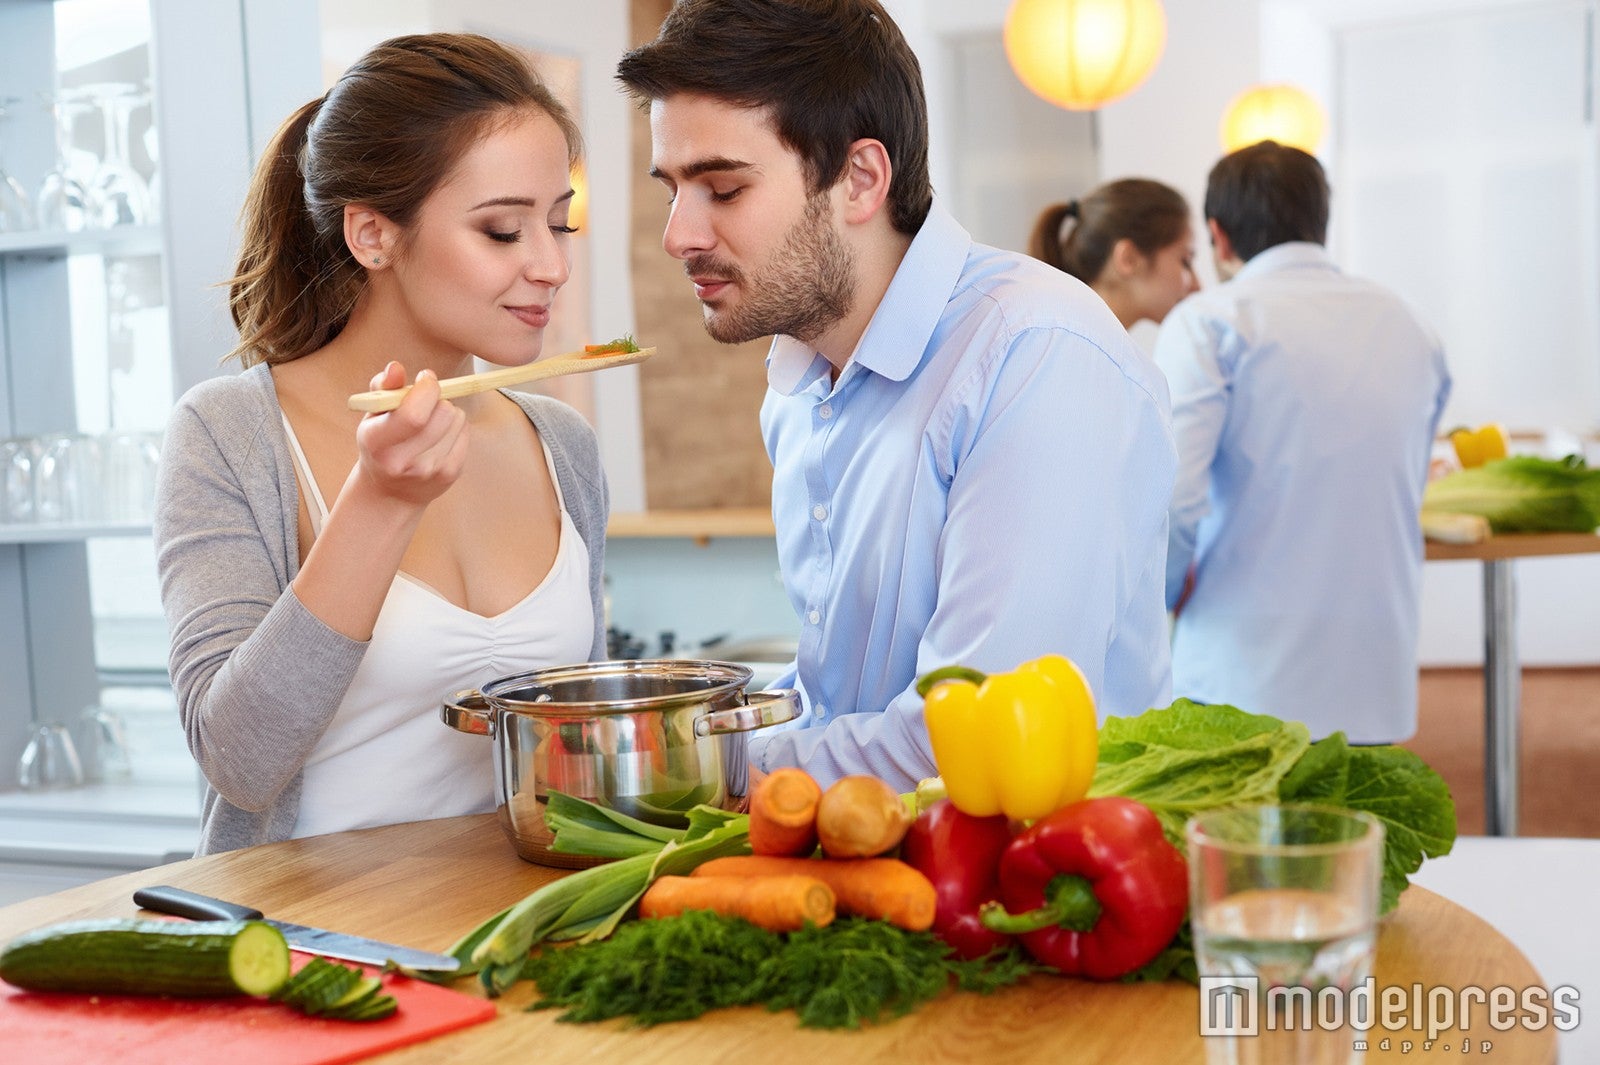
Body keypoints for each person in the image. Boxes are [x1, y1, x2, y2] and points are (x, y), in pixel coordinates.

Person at [617, 0, 1176, 790]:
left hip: (1036, 891)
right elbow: (833, 702)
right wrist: (685, 724)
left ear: (860, 179)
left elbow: (971, 732)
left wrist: (691, 764)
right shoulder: (798, 384)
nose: (680, 234)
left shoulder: (1034, 352)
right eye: (672, 188)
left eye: (723, 188)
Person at [153, 33, 609, 854]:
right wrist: (381, 503)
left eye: (559, 223)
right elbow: (239, 760)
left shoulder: (562, 445)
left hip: (510, 934)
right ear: (372, 234)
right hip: (307, 948)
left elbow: (580, 751)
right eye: (504, 231)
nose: (550, 265)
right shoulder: (228, 436)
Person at [1154, 140, 1451, 743]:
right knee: (1355, 836)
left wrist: (1157, 596)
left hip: (1241, 675)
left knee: (1233, 839)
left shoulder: (1210, 322)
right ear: (1321, 221)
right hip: (1375, 671)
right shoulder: (1411, 325)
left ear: (1220, 236)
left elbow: (1174, 499)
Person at [1029, 178, 1200, 330]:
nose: (1197, 286)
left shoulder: (1089, 342)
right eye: (1185, 262)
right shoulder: (1081, 352)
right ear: (1128, 259)